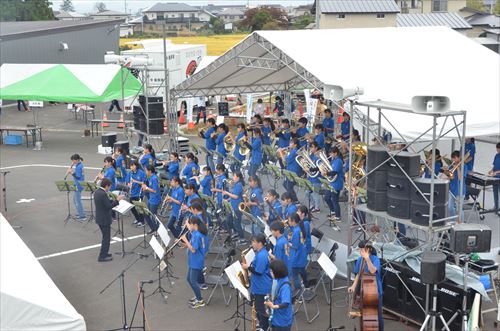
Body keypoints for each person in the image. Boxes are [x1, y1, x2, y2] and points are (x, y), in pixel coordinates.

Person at [348, 241, 384, 331]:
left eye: (363, 249)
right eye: (360, 249)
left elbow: (373, 271)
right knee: (366, 315)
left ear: (369, 249)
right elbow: (358, 275)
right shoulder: (360, 259)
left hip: (376, 291)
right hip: (365, 291)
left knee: (378, 316)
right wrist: (353, 286)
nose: (361, 251)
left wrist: (367, 259)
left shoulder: (375, 259)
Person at [241, 234, 273, 331]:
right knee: (259, 308)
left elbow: (259, 272)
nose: (252, 244)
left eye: (253, 242)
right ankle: (262, 324)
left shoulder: (262, 255)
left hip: (262, 286)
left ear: (260, 243)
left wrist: (248, 267)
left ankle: (264, 327)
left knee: (261, 309)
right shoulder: (260, 252)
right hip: (258, 285)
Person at [181, 217, 208, 309]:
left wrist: (185, 240)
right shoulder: (196, 233)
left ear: (195, 225)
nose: (190, 226)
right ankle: (197, 296)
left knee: (192, 281)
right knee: (189, 279)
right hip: (193, 260)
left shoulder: (197, 235)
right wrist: (185, 244)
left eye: (190, 224)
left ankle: (200, 300)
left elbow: (193, 249)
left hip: (196, 261)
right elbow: (193, 245)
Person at [94, 178, 123, 262]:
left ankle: (105, 253)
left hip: (99, 218)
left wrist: (112, 200)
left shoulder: (97, 192)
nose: (109, 188)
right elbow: (108, 206)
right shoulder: (103, 194)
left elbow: (104, 202)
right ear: (106, 186)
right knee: (106, 238)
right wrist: (117, 200)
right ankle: (102, 256)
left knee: (105, 237)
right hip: (104, 219)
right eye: (109, 187)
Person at [265, 259, 293, 331]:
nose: (270, 273)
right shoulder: (280, 279)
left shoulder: (285, 286)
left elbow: (286, 303)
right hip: (278, 318)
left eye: (271, 271)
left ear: (277, 272)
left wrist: (273, 306)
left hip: (282, 322)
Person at [221, 171, 247, 245]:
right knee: (229, 220)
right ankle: (236, 232)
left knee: (237, 223)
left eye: (234, 176)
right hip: (232, 207)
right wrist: (228, 199)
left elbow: (236, 196)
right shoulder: (236, 184)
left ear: (238, 177)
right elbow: (233, 195)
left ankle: (242, 239)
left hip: (237, 208)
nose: (233, 178)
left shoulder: (239, 185)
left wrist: (226, 193)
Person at [288, 213, 308, 291]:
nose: (288, 222)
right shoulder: (299, 228)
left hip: (297, 257)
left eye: (289, 221)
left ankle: (299, 293)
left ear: (294, 221)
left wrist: (288, 243)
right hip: (302, 254)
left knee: (295, 276)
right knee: (302, 271)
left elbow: (295, 246)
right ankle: (306, 285)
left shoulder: (296, 231)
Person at [324, 146, 344, 220]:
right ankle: (333, 211)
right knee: (326, 197)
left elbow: (334, 172)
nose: (330, 155)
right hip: (332, 182)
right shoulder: (333, 159)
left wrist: (326, 173)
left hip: (337, 183)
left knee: (335, 200)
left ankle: (338, 216)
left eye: (331, 153)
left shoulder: (338, 161)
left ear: (335, 153)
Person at [446, 150, 466, 219]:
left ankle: (462, 223)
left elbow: (460, 178)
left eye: (454, 158)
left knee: (459, 209)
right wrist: (450, 172)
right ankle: (453, 220)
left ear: (458, 158)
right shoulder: (452, 166)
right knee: (450, 207)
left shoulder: (464, 166)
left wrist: (457, 168)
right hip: (452, 190)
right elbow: (451, 178)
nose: (453, 160)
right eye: (452, 158)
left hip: (460, 191)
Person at [66, 154, 86, 221]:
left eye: (73, 160)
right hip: (78, 184)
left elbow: (78, 177)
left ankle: (82, 215)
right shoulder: (79, 165)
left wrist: (71, 172)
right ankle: (80, 212)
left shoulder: (79, 166)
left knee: (77, 201)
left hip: (78, 185)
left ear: (77, 160)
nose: (72, 162)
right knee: (75, 200)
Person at [141, 165, 160, 233]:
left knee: (153, 216)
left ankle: (157, 229)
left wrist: (146, 188)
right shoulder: (150, 177)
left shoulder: (154, 178)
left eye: (146, 170)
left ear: (150, 171)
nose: (145, 172)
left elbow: (154, 190)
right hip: (151, 198)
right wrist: (145, 188)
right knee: (146, 213)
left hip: (155, 200)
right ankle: (153, 228)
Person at [282, 138, 301, 203]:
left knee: (289, 186)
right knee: (285, 184)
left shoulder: (294, 151)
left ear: (295, 145)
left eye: (291, 143)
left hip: (293, 172)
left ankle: (295, 200)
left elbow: (286, 160)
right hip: (290, 170)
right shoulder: (292, 150)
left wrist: (281, 153)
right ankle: (292, 197)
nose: (289, 144)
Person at [127, 161, 146, 225]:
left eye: (132, 165)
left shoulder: (141, 173)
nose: (131, 167)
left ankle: (142, 221)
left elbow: (143, 183)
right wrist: (129, 184)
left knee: (140, 208)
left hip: (139, 193)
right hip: (132, 193)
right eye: (130, 166)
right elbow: (127, 181)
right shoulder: (130, 173)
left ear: (136, 166)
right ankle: (137, 219)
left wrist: (135, 181)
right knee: (132, 208)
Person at [305, 141, 322, 213]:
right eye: (310, 147)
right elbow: (309, 163)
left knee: (315, 193)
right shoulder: (311, 155)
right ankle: (312, 204)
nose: (310, 148)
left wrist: (310, 169)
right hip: (310, 177)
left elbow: (319, 167)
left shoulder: (319, 156)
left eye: (312, 147)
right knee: (307, 193)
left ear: (316, 148)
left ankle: (317, 208)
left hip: (317, 178)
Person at [488, 142, 500, 215]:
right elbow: (494, 165)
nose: (497, 150)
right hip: (494, 178)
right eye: (497, 148)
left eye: (498, 148)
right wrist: (491, 170)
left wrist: (497, 172)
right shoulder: (496, 155)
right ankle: (496, 207)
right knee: (495, 193)